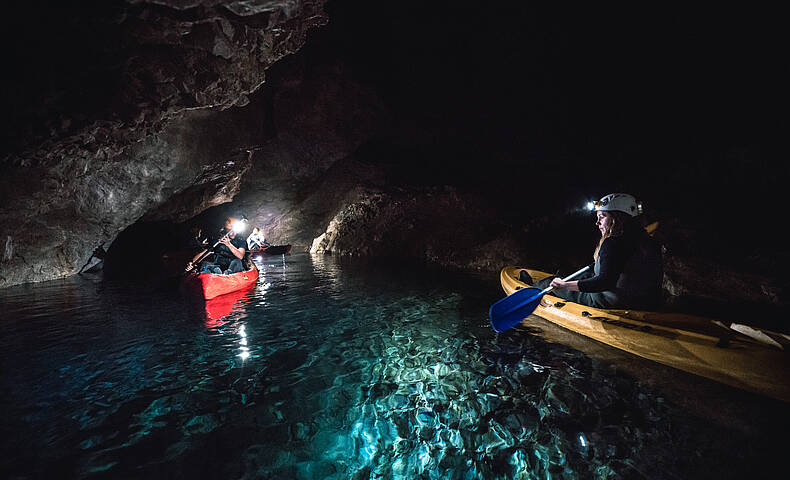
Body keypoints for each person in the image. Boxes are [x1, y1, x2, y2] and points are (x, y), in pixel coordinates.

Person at [521, 193, 663, 309]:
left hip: (608, 302)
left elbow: (604, 282)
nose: (597, 223)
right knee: (578, 274)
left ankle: (529, 288)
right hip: (643, 304)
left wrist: (564, 285)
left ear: (617, 217)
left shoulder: (613, 243)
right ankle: (562, 278)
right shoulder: (649, 242)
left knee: (550, 283)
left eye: (602, 216)